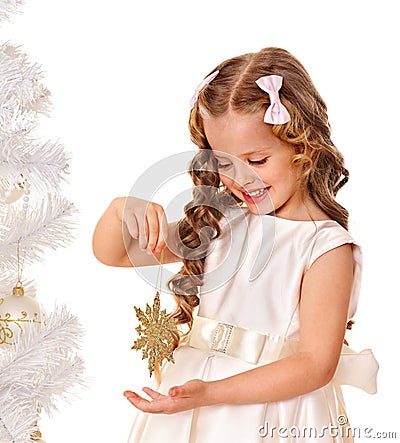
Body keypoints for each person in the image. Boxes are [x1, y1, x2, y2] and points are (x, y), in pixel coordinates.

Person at [92, 47, 378, 442]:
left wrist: (211, 393)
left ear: (304, 146)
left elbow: (315, 364)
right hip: (191, 403)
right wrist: (120, 210)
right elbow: (116, 253)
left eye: (257, 160)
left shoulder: (325, 247)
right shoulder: (221, 221)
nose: (241, 179)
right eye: (225, 164)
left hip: (275, 414)